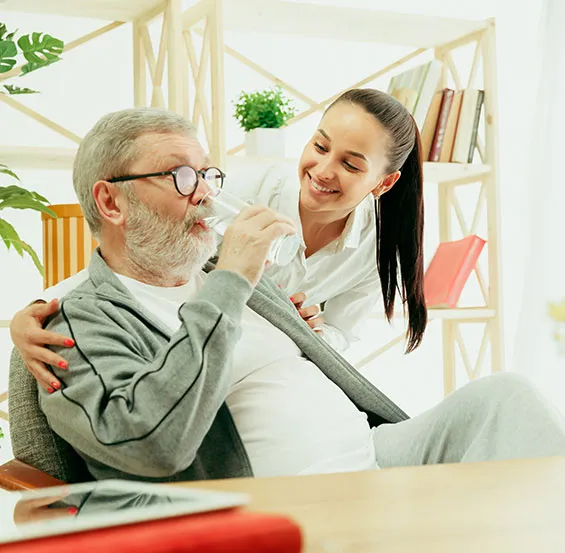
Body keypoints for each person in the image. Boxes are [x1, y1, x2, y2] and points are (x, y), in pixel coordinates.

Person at [9, 107, 565, 483]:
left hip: (373, 459)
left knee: (507, 398)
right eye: (182, 176)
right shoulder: (78, 323)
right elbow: (152, 447)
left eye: (208, 174)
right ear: (111, 203)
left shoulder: (226, 272)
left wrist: (295, 324)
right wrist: (230, 281)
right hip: (291, 503)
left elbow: (320, 350)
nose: (205, 193)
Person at [11, 89, 425, 386]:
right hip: (209, 358)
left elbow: (340, 336)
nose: (323, 170)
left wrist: (312, 332)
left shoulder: (378, 247)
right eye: (319, 145)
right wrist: (33, 312)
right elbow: (137, 257)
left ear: (383, 183)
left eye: (351, 166)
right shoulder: (238, 191)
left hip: (284, 371)